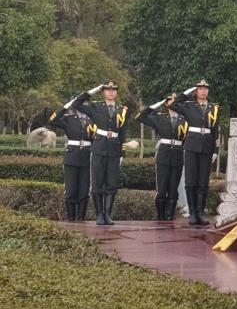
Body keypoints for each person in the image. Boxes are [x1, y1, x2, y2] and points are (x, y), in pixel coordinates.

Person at [71, 81, 130, 226]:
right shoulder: (96, 107)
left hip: (114, 149)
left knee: (111, 183)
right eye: (107, 90)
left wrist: (122, 152)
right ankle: (99, 215)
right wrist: (91, 91)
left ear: (117, 92)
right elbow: (76, 104)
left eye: (114, 90)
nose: (111, 92)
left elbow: (122, 132)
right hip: (99, 147)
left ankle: (107, 214)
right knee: (97, 183)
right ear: (103, 92)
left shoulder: (122, 110)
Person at [170, 80, 220, 226]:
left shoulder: (213, 108)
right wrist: (187, 91)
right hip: (191, 146)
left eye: (205, 89)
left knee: (203, 182)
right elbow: (173, 104)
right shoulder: (189, 106)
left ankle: (200, 212)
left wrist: (215, 150)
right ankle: (192, 212)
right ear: (196, 91)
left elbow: (216, 130)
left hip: (206, 147)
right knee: (191, 181)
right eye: (200, 89)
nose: (203, 91)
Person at [138, 96, 186, 221]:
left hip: (178, 154)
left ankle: (170, 217)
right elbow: (140, 117)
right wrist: (155, 105)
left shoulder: (185, 120)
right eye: (171, 101)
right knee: (162, 187)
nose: (174, 104)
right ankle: (161, 216)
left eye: (177, 102)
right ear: (166, 104)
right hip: (164, 155)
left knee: (173, 188)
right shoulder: (160, 118)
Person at [47, 101, 93, 221]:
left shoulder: (93, 120)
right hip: (72, 157)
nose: (83, 108)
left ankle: (81, 218)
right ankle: (71, 219)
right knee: (71, 190)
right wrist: (65, 107)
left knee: (84, 190)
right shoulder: (68, 119)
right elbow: (52, 120)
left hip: (87, 157)